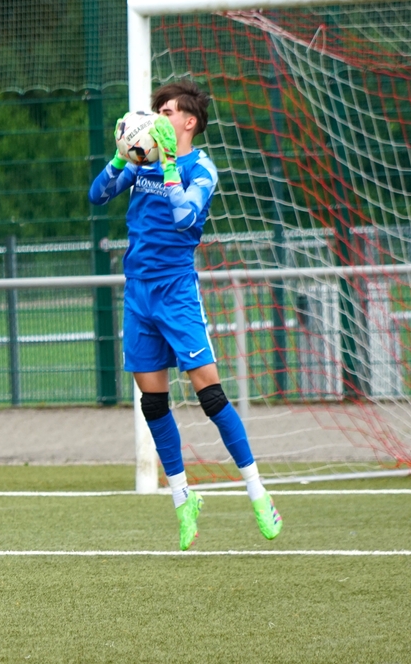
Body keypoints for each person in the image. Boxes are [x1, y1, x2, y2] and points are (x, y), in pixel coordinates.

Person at [88, 80, 283, 551]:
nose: (158, 117)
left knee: (210, 395)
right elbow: (97, 195)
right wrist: (120, 157)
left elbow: (184, 218)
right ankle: (182, 499)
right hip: (138, 294)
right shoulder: (142, 163)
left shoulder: (201, 169)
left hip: (176, 292)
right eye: (157, 110)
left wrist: (171, 166)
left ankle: (258, 492)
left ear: (189, 122)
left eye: (167, 111)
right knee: (152, 403)